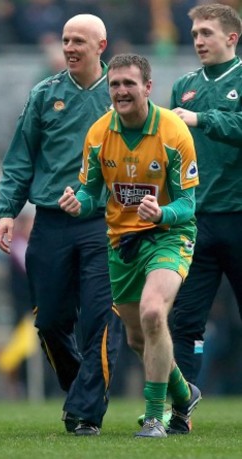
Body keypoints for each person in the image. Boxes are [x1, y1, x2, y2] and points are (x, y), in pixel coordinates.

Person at [59, 53, 202, 438]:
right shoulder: (98, 134)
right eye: (114, 84)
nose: (121, 91)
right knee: (139, 337)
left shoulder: (174, 133)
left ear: (148, 88)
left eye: (129, 84)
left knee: (154, 312)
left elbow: (189, 204)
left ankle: (158, 417)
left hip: (170, 236)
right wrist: (78, 204)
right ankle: (184, 394)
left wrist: (162, 214)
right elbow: (91, 195)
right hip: (121, 242)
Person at [0, 14, 122, 436]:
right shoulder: (44, 94)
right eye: (66, 40)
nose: (69, 47)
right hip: (49, 223)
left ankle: (85, 413)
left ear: (100, 46)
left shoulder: (120, 95)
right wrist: (7, 211)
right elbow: (19, 158)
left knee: (101, 319)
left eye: (78, 41)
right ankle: (82, 390)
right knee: (48, 321)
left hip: (103, 223)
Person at [169, 3, 242, 407]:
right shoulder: (184, 86)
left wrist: (201, 119)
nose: (198, 40)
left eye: (207, 33)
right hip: (196, 220)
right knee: (186, 320)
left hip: (239, 214)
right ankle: (182, 406)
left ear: (232, 37)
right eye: (195, 33)